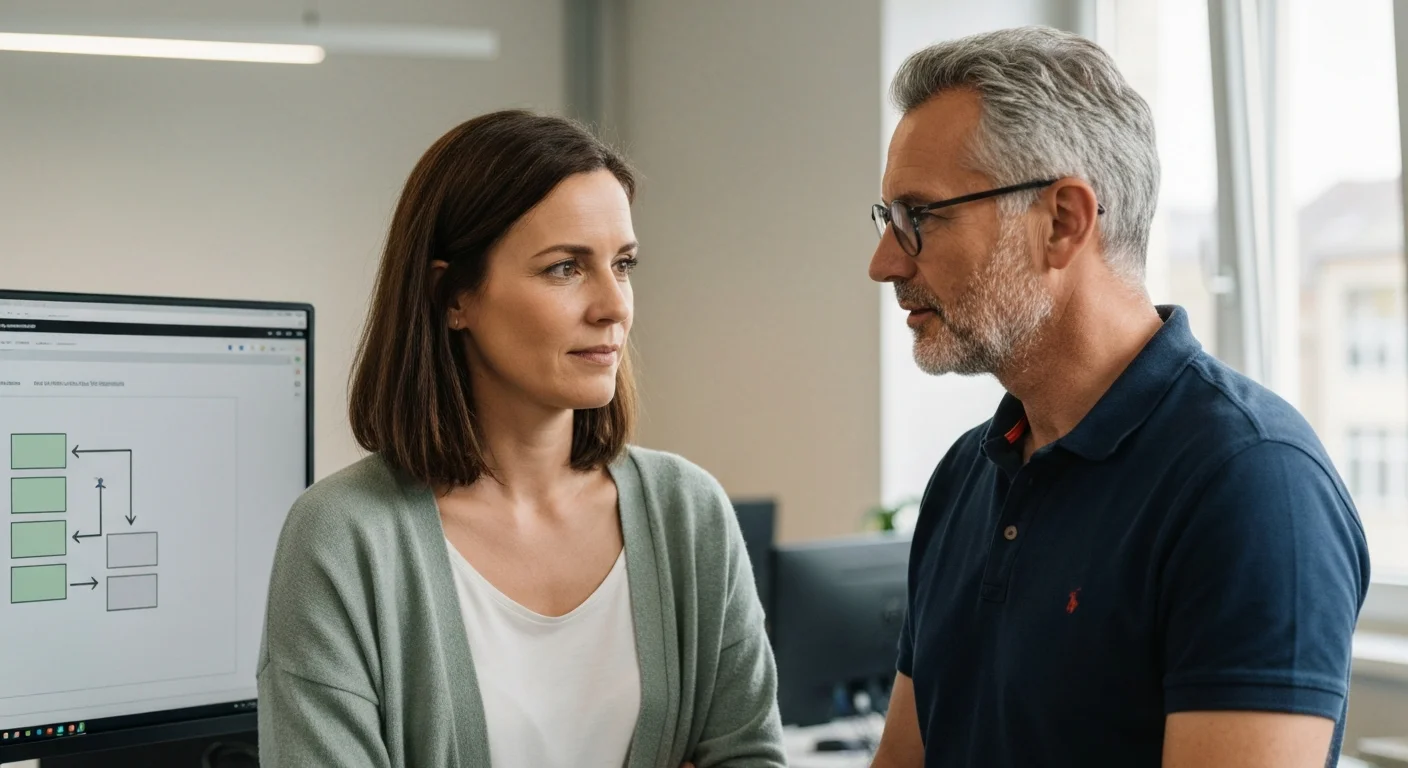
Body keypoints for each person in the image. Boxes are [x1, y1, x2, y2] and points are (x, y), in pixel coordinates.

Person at [865, 27, 1369, 768]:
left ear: (1064, 221)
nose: (884, 263)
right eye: (887, 221)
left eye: (922, 217)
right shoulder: (964, 478)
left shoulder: (1255, 485)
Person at [256, 110, 784, 768]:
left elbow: (750, 757)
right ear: (453, 297)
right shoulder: (342, 537)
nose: (614, 305)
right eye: (565, 268)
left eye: (622, 264)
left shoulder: (688, 511)